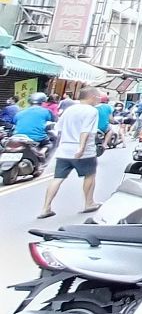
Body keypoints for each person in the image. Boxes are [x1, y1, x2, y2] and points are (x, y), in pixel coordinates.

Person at [37, 87, 102, 218]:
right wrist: (81, 148)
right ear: (92, 96)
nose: (99, 100)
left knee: (58, 178)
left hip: (64, 150)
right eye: (98, 97)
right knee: (89, 175)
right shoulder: (92, 111)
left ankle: (45, 207)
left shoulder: (69, 109)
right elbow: (85, 130)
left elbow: (58, 128)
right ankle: (89, 203)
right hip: (84, 151)